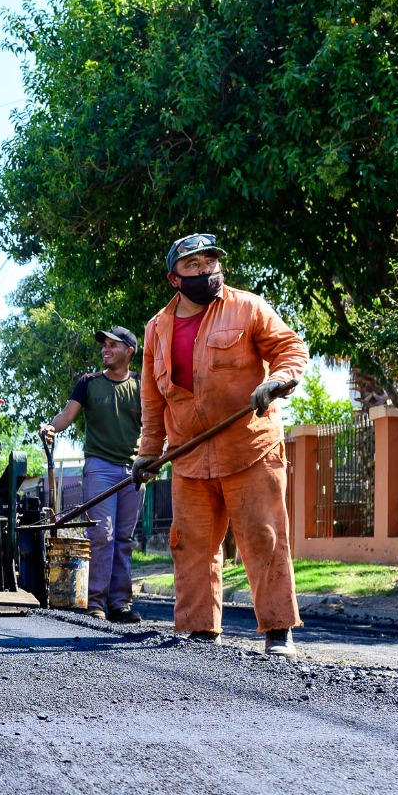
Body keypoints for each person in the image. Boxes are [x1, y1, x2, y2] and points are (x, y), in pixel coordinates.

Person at [133, 234, 308, 658]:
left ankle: (278, 630)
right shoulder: (157, 329)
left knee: (264, 539)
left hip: (248, 448)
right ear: (175, 278)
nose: (204, 270)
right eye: (192, 266)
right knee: (190, 545)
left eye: (210, 261)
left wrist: (277, 380)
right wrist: (148, 452)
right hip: (189, 457)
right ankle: (198, 633)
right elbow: (154, 401)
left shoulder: (248, 308)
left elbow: (290, 348)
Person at [41, 327, 144, 623]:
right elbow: (66, 414)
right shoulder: (88, 383)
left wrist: (152, 458)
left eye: (113, 345)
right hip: (100, 467)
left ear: (129, 351)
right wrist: (51, 428)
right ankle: (95, 603)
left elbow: (155, 419)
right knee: (103, 535)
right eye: (104, 345)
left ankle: (120, 604)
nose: (105, 349)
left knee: (124, 538)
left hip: (134, 469)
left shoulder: (142, 384)